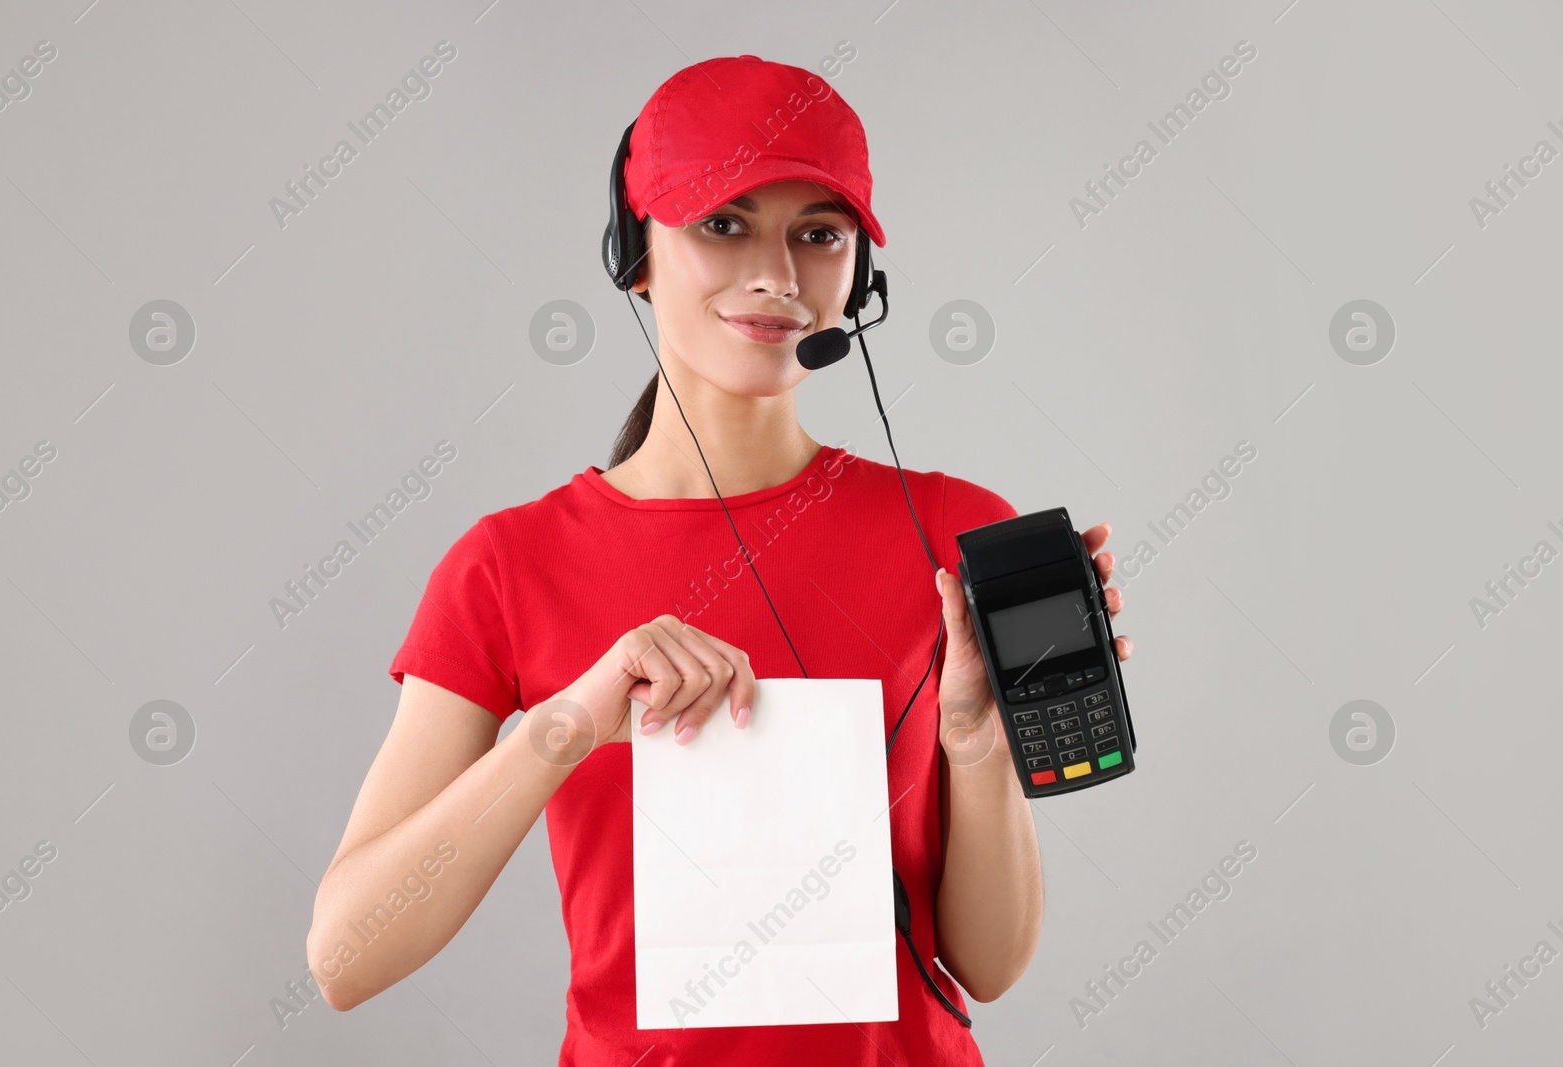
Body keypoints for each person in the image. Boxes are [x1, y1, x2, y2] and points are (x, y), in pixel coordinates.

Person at [306, 54, 1132, 1065]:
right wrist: (567, 723)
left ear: (858, 276)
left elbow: (988, 965)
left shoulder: (955, 537)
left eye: (817, 235)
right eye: (723, 223)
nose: (777, 277)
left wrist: (977, 745)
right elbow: (345, 957)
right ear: (635, 254)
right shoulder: (507, 565)